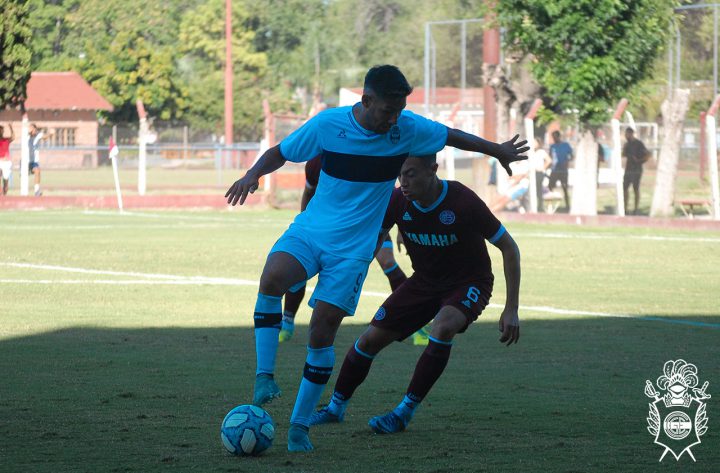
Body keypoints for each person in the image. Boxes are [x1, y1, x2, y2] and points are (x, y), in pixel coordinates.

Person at [224, 64, 528, 452]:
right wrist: (252, 174)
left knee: (321, 331)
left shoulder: (407, 129)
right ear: (366, 101)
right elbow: (279, 153)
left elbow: (451, 136)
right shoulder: (328, 125)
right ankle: (264, 376)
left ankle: (299, 427)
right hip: (313, 229)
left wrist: (497, 149)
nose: (394, 118)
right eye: (388, 110)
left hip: (353, 251)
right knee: (272, 278)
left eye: (400, 110)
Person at [309, 154, 520, 434]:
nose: (403, 182)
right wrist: (349, 276)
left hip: (469, 282)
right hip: (423, 283)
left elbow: (509, 247)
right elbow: (375, 239)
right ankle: (335, 409)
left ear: (433, 169)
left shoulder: (462, 201)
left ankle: (402, 413)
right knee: (368, 340)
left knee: (442, 326)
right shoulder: (398, 201)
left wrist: (511, 308)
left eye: (410, 174)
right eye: (400, 176)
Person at [279, 155, 428, 346]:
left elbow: (396, 195)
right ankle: (287, 322)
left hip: (371, 225)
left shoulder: (368, 157)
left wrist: (401, 229)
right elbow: (309, 192)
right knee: (302, 264)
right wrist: (305, 227)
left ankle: (416, 325)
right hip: (331, 227)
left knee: (388, 263)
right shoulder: (316, 162)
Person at [622, 127, 649, 215]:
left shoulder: (638, 144)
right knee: (624, 188)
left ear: (631, 134)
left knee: (635, 189)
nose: (626, 136)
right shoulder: (627, 144)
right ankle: (625, 208)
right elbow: (623, 155)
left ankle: (636, 208)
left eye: (627, 134)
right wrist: (624, 149)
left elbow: (647, 155)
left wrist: (639, 161)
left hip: (637, 169)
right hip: (628, 169)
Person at [548, 130, 573, 211]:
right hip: (554, 170)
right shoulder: (552, 146)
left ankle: (567, 206)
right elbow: (550, 157)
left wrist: (567, 161)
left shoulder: (566, 145)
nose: (554, 139)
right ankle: (550, 205)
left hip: (563, 171)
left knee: (565, 188)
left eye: (555, 137)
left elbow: (571, 155)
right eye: (553, 137)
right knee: (550, 187)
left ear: (559, 136)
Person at [29, 124, 51, 196]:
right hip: (26, 161)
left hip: (34, 161)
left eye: (33, 129)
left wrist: (50, 134)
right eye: (30, 128)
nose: (32, 130)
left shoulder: (38, 135)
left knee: (38, 171)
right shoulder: (26, 136)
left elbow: (45, 137)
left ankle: (36, 191)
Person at [533, 137, 552, 212]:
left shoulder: (541, 152)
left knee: (538, 190)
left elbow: (549, 160)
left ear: (538, 144)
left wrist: (542, 168)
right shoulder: (530, 152)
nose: (533, 144)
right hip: (532, 173)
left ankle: (540, 206)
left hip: (539, 173)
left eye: (535, 142)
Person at [0, 124, 15, 195]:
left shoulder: (6, 140)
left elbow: (13, 137)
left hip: (6, 162)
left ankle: (4, 194)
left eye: (1, 130)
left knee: (5, 180)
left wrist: (11, 128)